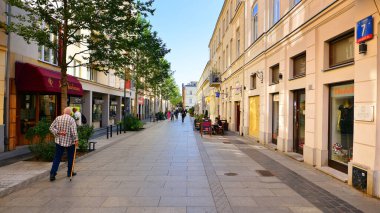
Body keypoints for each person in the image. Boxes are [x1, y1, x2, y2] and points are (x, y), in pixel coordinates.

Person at [49, 107, 79, 181]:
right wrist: (76, 140)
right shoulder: (71, 119)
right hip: (70, 142)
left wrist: (59, 132)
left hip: (59, 141)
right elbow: (73, 131)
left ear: (63, 112)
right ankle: (69, 172)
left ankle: (53, 174)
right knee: (71, 157)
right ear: (70, 113)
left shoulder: (58, 118)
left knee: (57, 158)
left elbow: (51, 128)